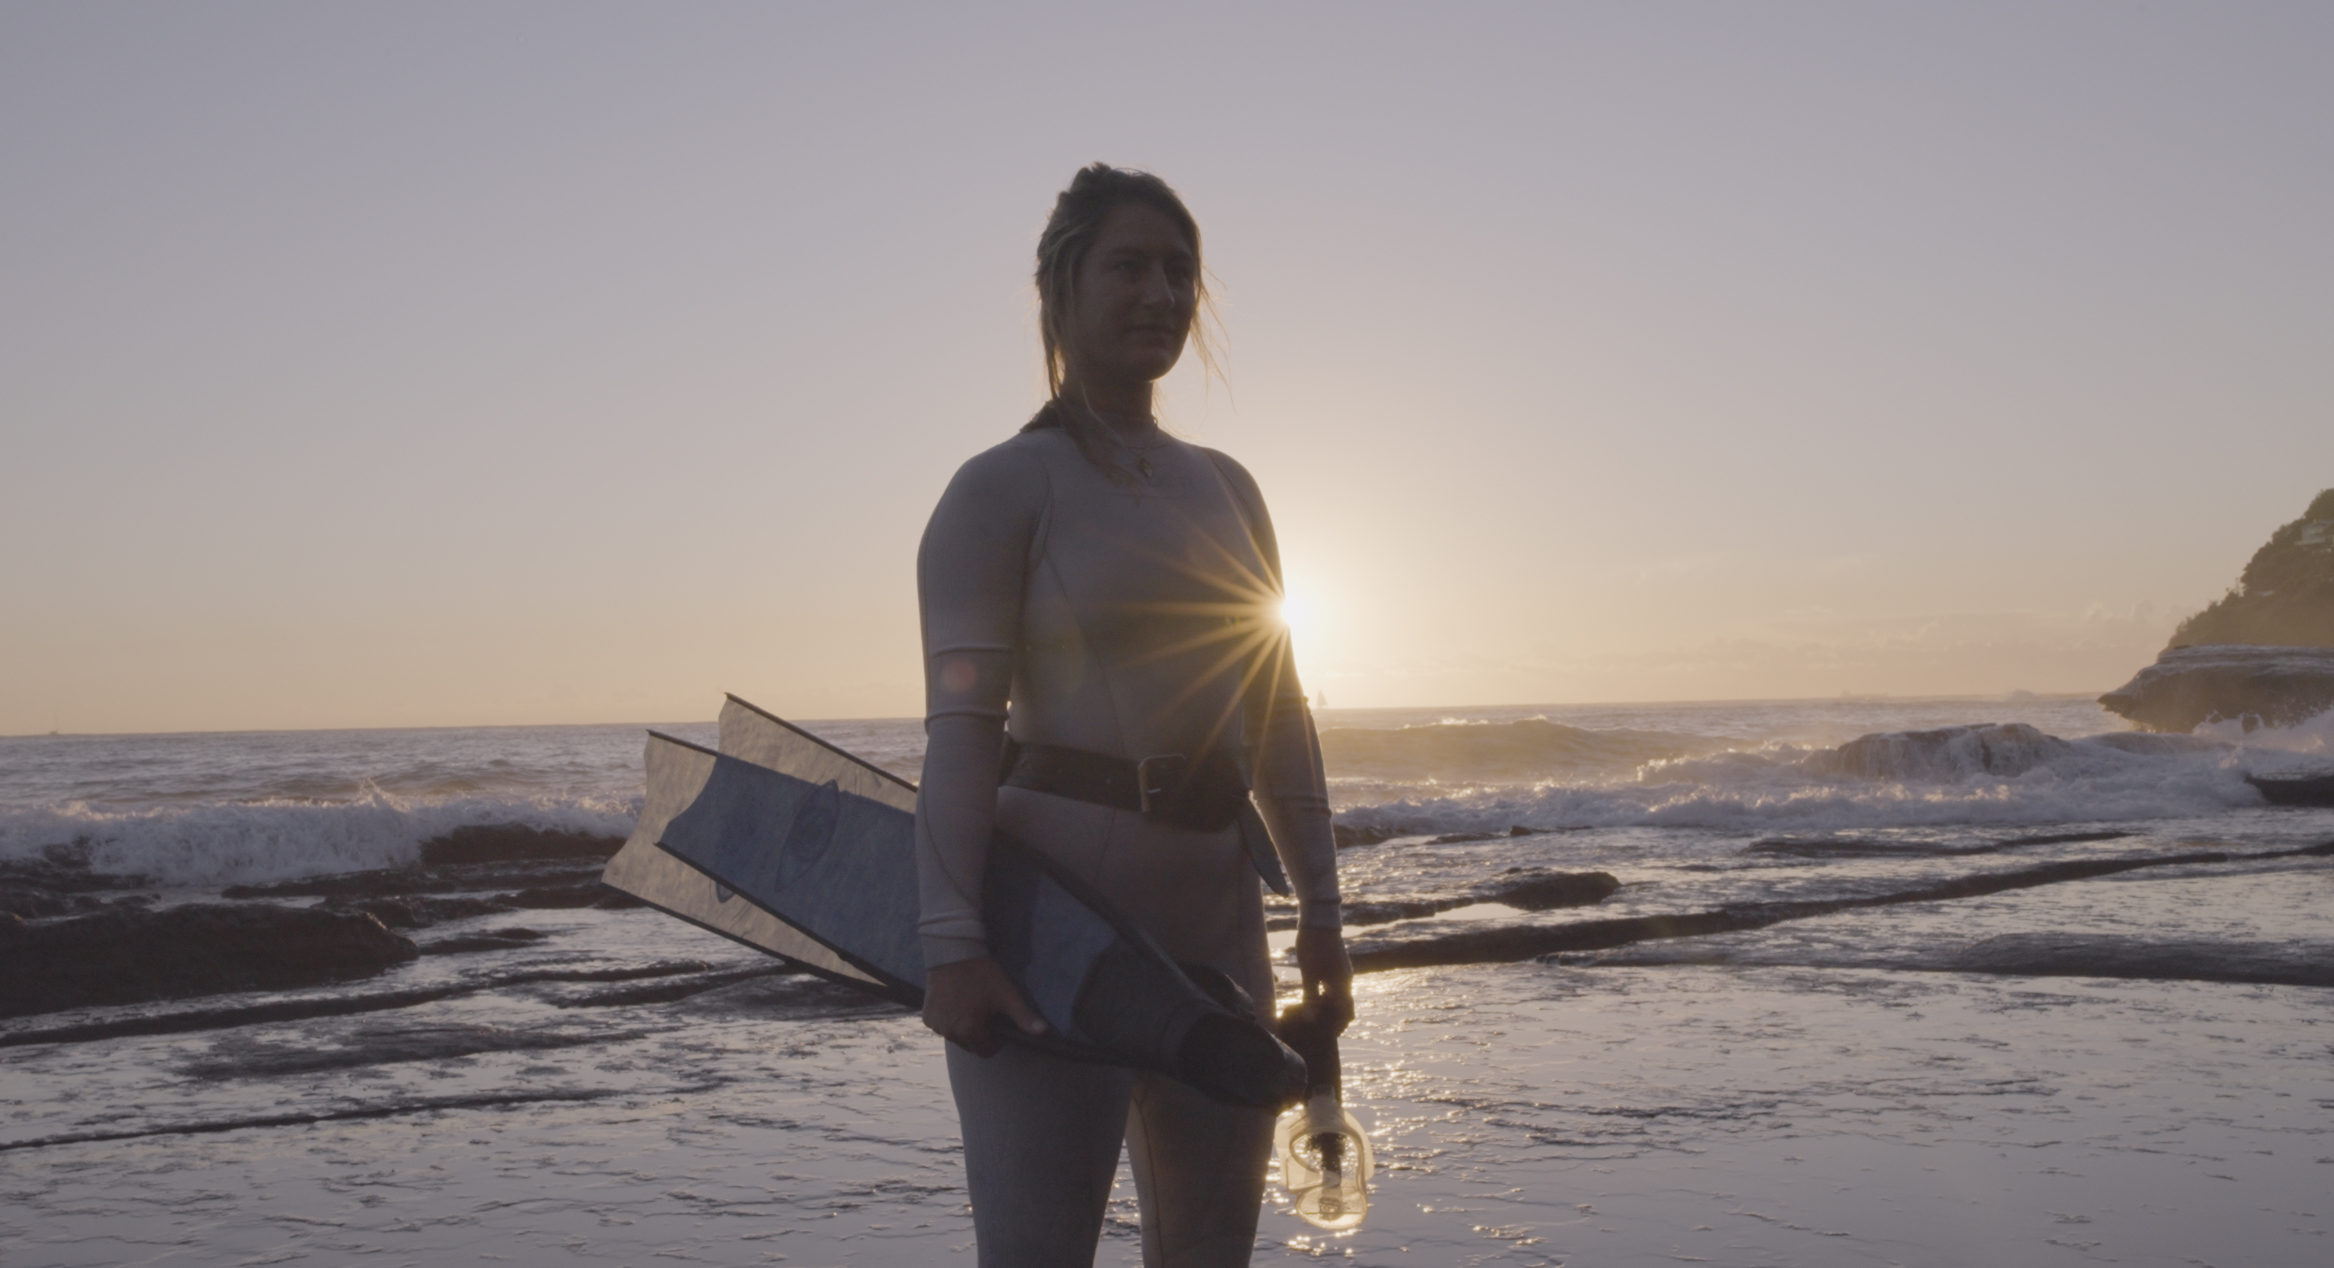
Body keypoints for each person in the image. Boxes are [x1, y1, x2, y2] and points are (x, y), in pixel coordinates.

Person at [914, 163, 1351, 1267]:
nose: (1160, 292)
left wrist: (1325, 912)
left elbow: (1281, 715)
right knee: (1037, 1250)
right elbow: (961, 737)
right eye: (1129, 266)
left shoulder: (1231, 488)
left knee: (1211, 1252)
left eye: (1179, 270)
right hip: (1050, 932)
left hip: (1217, 921)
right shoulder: (1004, 487)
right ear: (1057, 289)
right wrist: (954, 945)